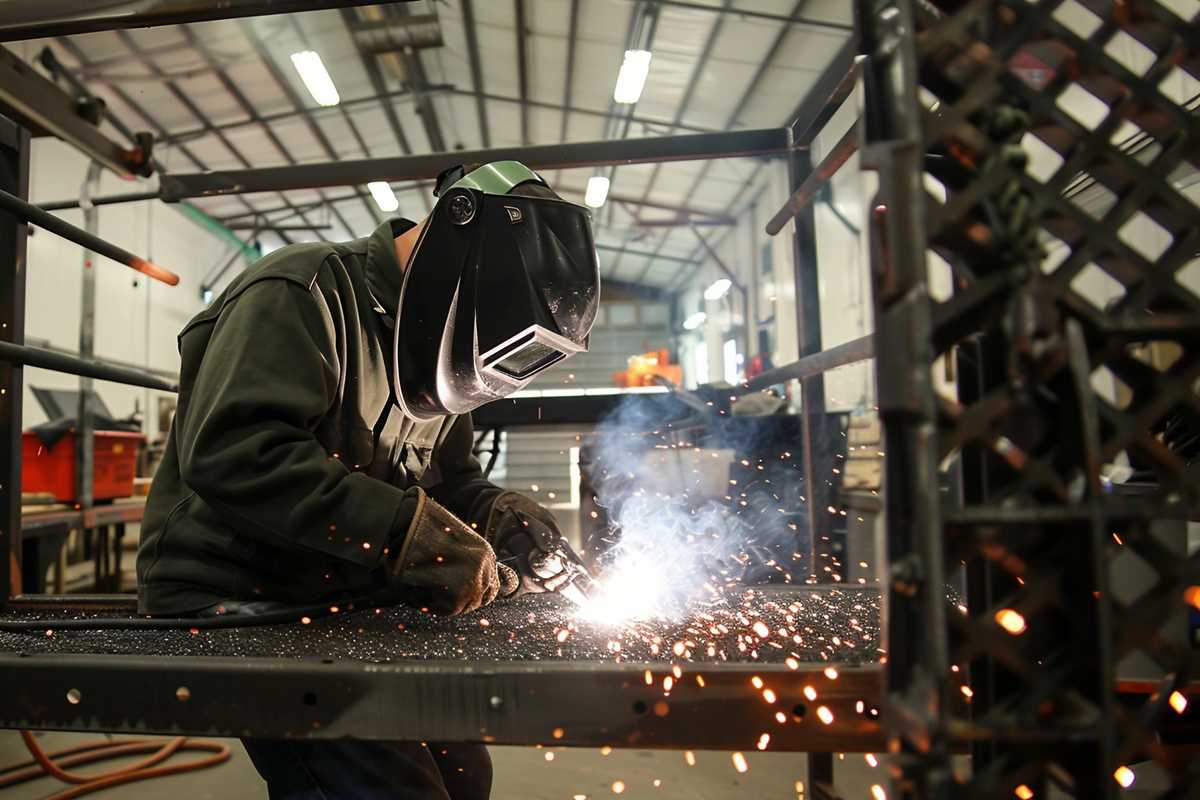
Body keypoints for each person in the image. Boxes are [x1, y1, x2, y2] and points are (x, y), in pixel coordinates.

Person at [136, 161, 601, 799]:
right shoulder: (299, 291)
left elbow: (451, 478)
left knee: (466, 772)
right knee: (391, 788)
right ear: (457, 266)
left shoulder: (440, 349)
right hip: (241, 588)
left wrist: (497, 514)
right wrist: (402, 532)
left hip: (343, 582)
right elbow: (238, 455)